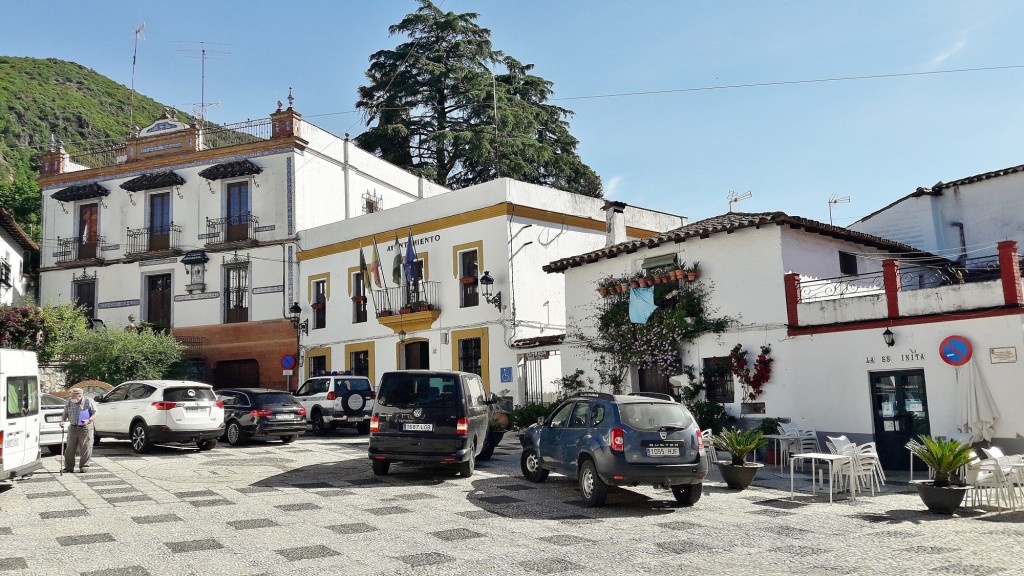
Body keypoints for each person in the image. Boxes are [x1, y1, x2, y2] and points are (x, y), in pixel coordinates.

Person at [61, 388, 98, 473]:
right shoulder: (69, 401)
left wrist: (88, 420)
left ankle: (84, 466)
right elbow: (65, 413)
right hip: (73, 427)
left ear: (80, 396)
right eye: (72, 396)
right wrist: (62, 421)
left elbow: (95, 413)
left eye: (74, 397)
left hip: (85, 427)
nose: (72, 398)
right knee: (70, 448)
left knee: (85, 447)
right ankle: (68, 467)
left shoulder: (89, 401)